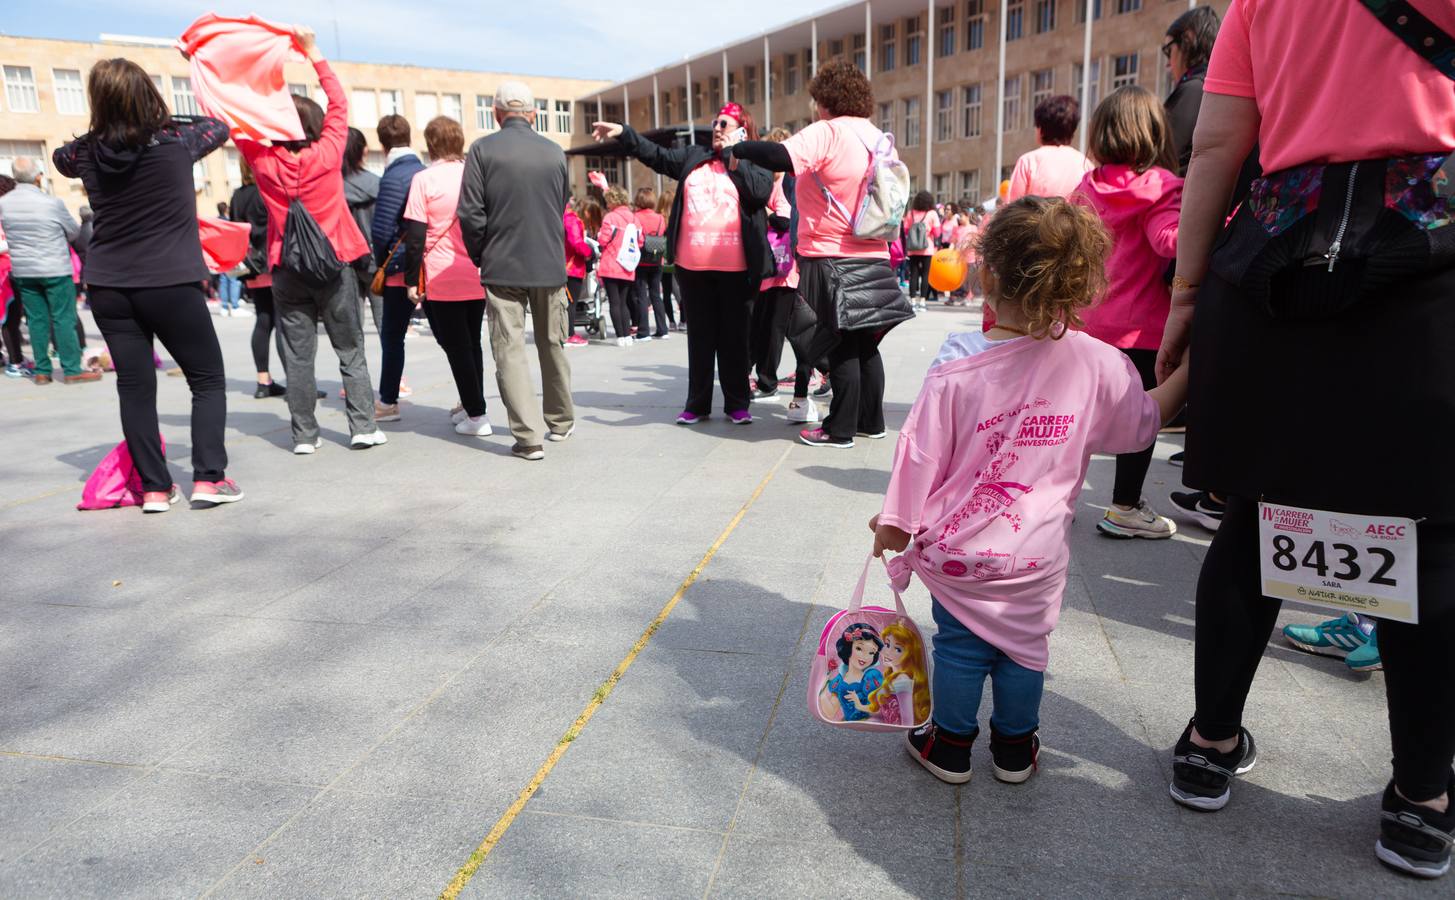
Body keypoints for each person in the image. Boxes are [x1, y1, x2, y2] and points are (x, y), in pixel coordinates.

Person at [1157, 0, 1455, 878]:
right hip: (1429, 251)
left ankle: (1209, 745)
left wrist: (1185, 297)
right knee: (1430, 535)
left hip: (1279, 256)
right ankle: (1420, 801)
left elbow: (1215, 146)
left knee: (1255, 514)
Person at [871, 196, 1188, 785]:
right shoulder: (1099, 364)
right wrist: (1190, 371)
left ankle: (950, 745)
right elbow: (1143, 423)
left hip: (958, 551)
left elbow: (919, 453)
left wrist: (896, 521)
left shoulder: (959, 361)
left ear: (986, 272)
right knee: (1024, 651)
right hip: (1036, 555)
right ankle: (1015, 749)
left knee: (961, 649)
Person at [51, 57, 241, 510]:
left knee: (134, 389)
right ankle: (209, 479)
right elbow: (220, 126)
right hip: (171, 282)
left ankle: (155, 488)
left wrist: (102, 127)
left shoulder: (84, 153)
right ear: (150, 97)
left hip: (109, 286)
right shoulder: (178, 140)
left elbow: (61, 157)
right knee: (208, 379)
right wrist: (164, 118)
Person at [730, 61, 914, 448]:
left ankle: (839, 428)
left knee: (839, 340)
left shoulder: (828, 132)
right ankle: (870, 421)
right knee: (865, 344)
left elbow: (781, 156)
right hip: (875, 251)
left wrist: (740, 147)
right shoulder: (877, 136)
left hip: (830, 253)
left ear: (826, 99)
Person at [234, 26, 384, 455]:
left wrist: (242, 74)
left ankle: (304, 436)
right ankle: (362, 427)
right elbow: (339, 100)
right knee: (350, 350)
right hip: (333, 265)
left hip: (286, 269)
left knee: (297, 358)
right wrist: (312, 51)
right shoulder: (330, 151)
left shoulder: (263, 161)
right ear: (318, 125)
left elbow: (238, 117)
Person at [592, 102, 774, 427]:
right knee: (700, 338)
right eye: (716, 122)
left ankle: (737, 404)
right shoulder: (694, 157)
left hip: (737, 270)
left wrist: (736, 158)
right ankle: (697, 404)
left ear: (743, 130)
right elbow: (657, 156)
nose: (717, 128)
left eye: (725, 124)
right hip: (693, 269)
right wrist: (624, 133)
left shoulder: (753, 162)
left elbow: (760, 193)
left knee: (735, 339)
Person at [1075, 87, 1182, 539]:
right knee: (1139, 419)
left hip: (1088, 324)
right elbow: (1167, 241)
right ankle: (1123, 507)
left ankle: (1054, 497)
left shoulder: (1087, 186)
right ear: (1155, 133)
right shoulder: (1162, 186)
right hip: (1142, 330)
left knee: (1076, 416)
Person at [458, 81, 576, 461]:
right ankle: (560, 420)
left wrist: (481, 255)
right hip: (548, 264)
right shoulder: (554, 152)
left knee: (509, 350)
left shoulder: (482, 150)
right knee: (551, 343)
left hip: (502, 265)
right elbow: (560, 204)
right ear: (533, 114)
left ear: (495, 113)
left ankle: (528, 438)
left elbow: (471, 213)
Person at [402, 116, 491, 437]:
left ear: (430, 144)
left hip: (441, 274)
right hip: (477, 272)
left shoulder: (424, 180)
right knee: (471, 345)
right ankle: (472, 406)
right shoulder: (475, 174)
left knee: (455, 345)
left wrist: (412, 280)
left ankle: (477, 414)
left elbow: (415, 234)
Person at [0, 158, 95, 386]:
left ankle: (43, 371)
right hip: (54, 267)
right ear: (38, 176)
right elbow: (73, 233)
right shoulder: (52, 203)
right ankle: (71, 369)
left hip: (23, 269)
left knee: (36, 319)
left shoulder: (4, 203)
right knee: (63, 318)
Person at [370, 114, 425, 422]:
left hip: (400, 268)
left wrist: (382, 260)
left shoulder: (393, 176)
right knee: (450, 338)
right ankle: (469, 400)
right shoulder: (423, 171)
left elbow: (380, 230)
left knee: (392, 337)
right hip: (429, 266)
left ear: (382, 143)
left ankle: (388, 400)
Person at [1162, 5, 1221, 176]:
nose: (1168, 64)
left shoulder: (1193, 90)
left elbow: (1161, 159)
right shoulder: (1214, 86)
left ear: (1188, 38)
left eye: (1168, 51)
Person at [1005, 95, 1093, 201]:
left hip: (1037, 217)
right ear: (1072, 130)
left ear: (1040, 130)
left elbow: (1012, 208)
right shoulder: (1086, 165)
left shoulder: (1028, 162)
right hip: (1074, 217)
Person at [342, 126, 382, 334]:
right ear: (364, 151)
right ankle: (391, 368)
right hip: (376, 261)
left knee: (350, 332)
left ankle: (356, 368)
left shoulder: (332, 187)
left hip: (344, 262)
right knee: (387, 329)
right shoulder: (377, 184)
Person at [595, 187, 638, 347]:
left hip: (611, 264)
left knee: (614, 302)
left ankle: (620, 337)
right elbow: (639, 241)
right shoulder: (634, 219)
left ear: (612, 200)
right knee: (624, 301)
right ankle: (627, 336)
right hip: (628, 265)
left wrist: (599, 236)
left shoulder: (610, 217)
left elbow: (602, 240)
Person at [0, 174, 29, 377]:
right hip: (6, 271)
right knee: (10, 318)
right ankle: (15, 362)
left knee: (10, 317)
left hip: (10, 268)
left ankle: (13, 359)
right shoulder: (6, 210)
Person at [631, 187, 669, 340]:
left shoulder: (635, 217)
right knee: (656, 295)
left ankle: (643, 331)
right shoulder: (660, 218)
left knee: (641, 296)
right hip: (657, 259)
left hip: (641, 260)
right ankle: (662, 329)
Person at [902, 191, 940, 311]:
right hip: (927, 248)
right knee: (925, 275)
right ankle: (922, 302)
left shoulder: (910, 213)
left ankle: (912, 302)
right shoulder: (932, 213)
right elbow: (938, 232)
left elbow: (906, 230)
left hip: (913, 249)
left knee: (913, 275)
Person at [563, 197, 593, 347]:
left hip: (564, 265)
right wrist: (590, 252)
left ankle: (565, 333)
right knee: (571, 303)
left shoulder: (563, 216)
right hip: (572, 267)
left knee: (566, 302)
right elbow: (577, 243)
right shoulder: (573, 220)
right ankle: (569, 334)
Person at [212, 200, 246, 317]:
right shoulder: (229, 222)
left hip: (219, 254)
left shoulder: (216, 221)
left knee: (223, 280)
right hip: (231, 253)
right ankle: (235, 306)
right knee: (234, 280)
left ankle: (225, 307)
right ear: (226, 209)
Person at [656, 189, 682, 330]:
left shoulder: (659, 218)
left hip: (661, 258)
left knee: (666, 292)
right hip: (677, 257)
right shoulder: (678, 217)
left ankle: (671, 321)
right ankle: (684, 320)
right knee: (680, 289)